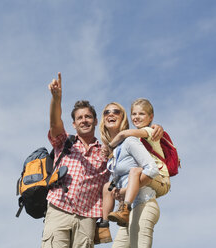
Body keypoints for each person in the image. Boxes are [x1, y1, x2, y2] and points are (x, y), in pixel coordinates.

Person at [41, 72, 110, 248]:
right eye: (79, 118)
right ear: (74, 124)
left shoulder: (106, 151)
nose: (84, 120)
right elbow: (54, 124)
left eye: (88, 117)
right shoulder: (64, 142)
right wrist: (56, 99)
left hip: (87, 217)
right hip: (59, 209)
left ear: (95, 121)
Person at [99, 98, 170, 229]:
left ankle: (125, 207)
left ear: (150, 117)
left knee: (135, 171)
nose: (137, 117)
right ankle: (104, 225)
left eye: (141, 114)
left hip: (160, 177)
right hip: (147, 183)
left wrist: (109, 146)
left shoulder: (146, 132)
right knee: (108, 186)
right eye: (134, 114)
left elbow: (124, 134)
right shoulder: (132, 140)